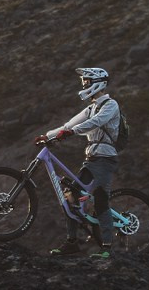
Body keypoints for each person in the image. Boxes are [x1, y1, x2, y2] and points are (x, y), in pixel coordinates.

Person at [40, 66, 123, 257]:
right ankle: (72, 242)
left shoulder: (111, 105)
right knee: (71, 195)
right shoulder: (91, 107)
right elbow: (68, 125)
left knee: (101, 200)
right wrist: (46, 135)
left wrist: (71, 132)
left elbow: (96, 122)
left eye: (86, 81)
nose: (84, 84)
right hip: (92, 158)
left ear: (97, 83)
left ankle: (107, 247)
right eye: (83, 81)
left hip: (105, 158)